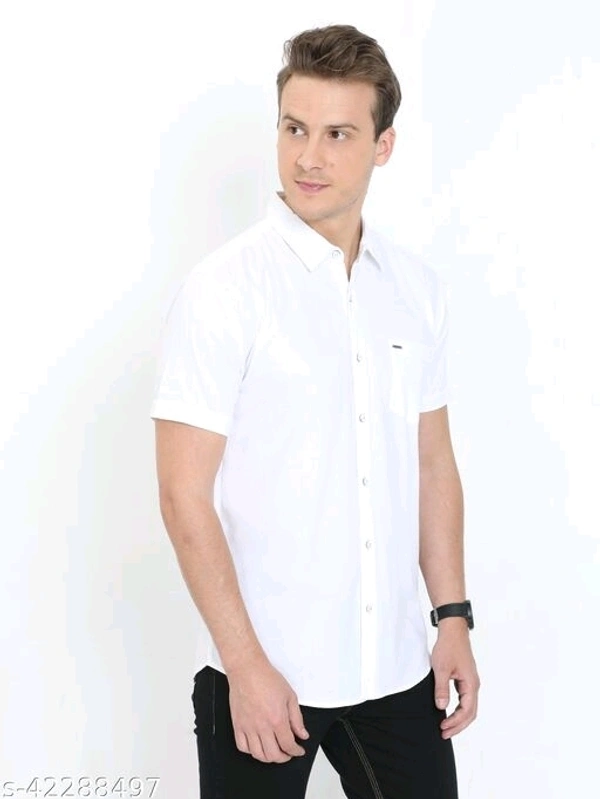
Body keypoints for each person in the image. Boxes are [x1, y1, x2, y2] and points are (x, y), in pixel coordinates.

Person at [151, 23, 480, 799]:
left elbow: (432, 461)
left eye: (338, 134)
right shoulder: (224, 290)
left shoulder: (417, 291)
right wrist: (245, 666)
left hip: (395, 667)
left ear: (383, 145)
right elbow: (182, 493)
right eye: (295, 128)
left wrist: (453, 616)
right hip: (266, 670)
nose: (308, 157)